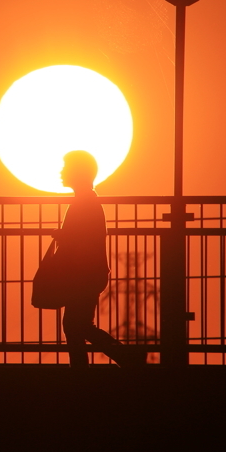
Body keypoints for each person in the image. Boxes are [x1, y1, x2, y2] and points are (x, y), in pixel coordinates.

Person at [54, 150, 145, 368]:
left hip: (84, 273)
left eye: (66, 168)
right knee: (78, 324)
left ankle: (122, 358)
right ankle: (113, 359)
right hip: (87, 272)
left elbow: (83, 238)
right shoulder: (87, 201)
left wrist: (63, 237)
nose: (61, 172)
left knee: (77, 325)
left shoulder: (84, 203)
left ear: (78, 173)